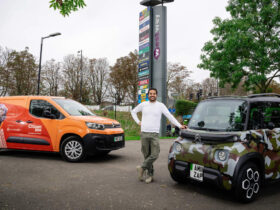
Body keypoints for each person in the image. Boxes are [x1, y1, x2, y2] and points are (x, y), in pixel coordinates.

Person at [131, 88, 186, 184]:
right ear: (148, 95)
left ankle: (141, 168)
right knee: (147, 155)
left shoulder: (160, 106)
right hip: (144, 133)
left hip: (154, 134)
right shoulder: (143, 104)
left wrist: (179, 126)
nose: (152, 95)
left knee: (155, 154)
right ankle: (150, 175)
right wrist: (138, 122)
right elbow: (133, 112)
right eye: (150, 93)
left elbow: (170, 116)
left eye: (154, 94)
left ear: (156, 95)